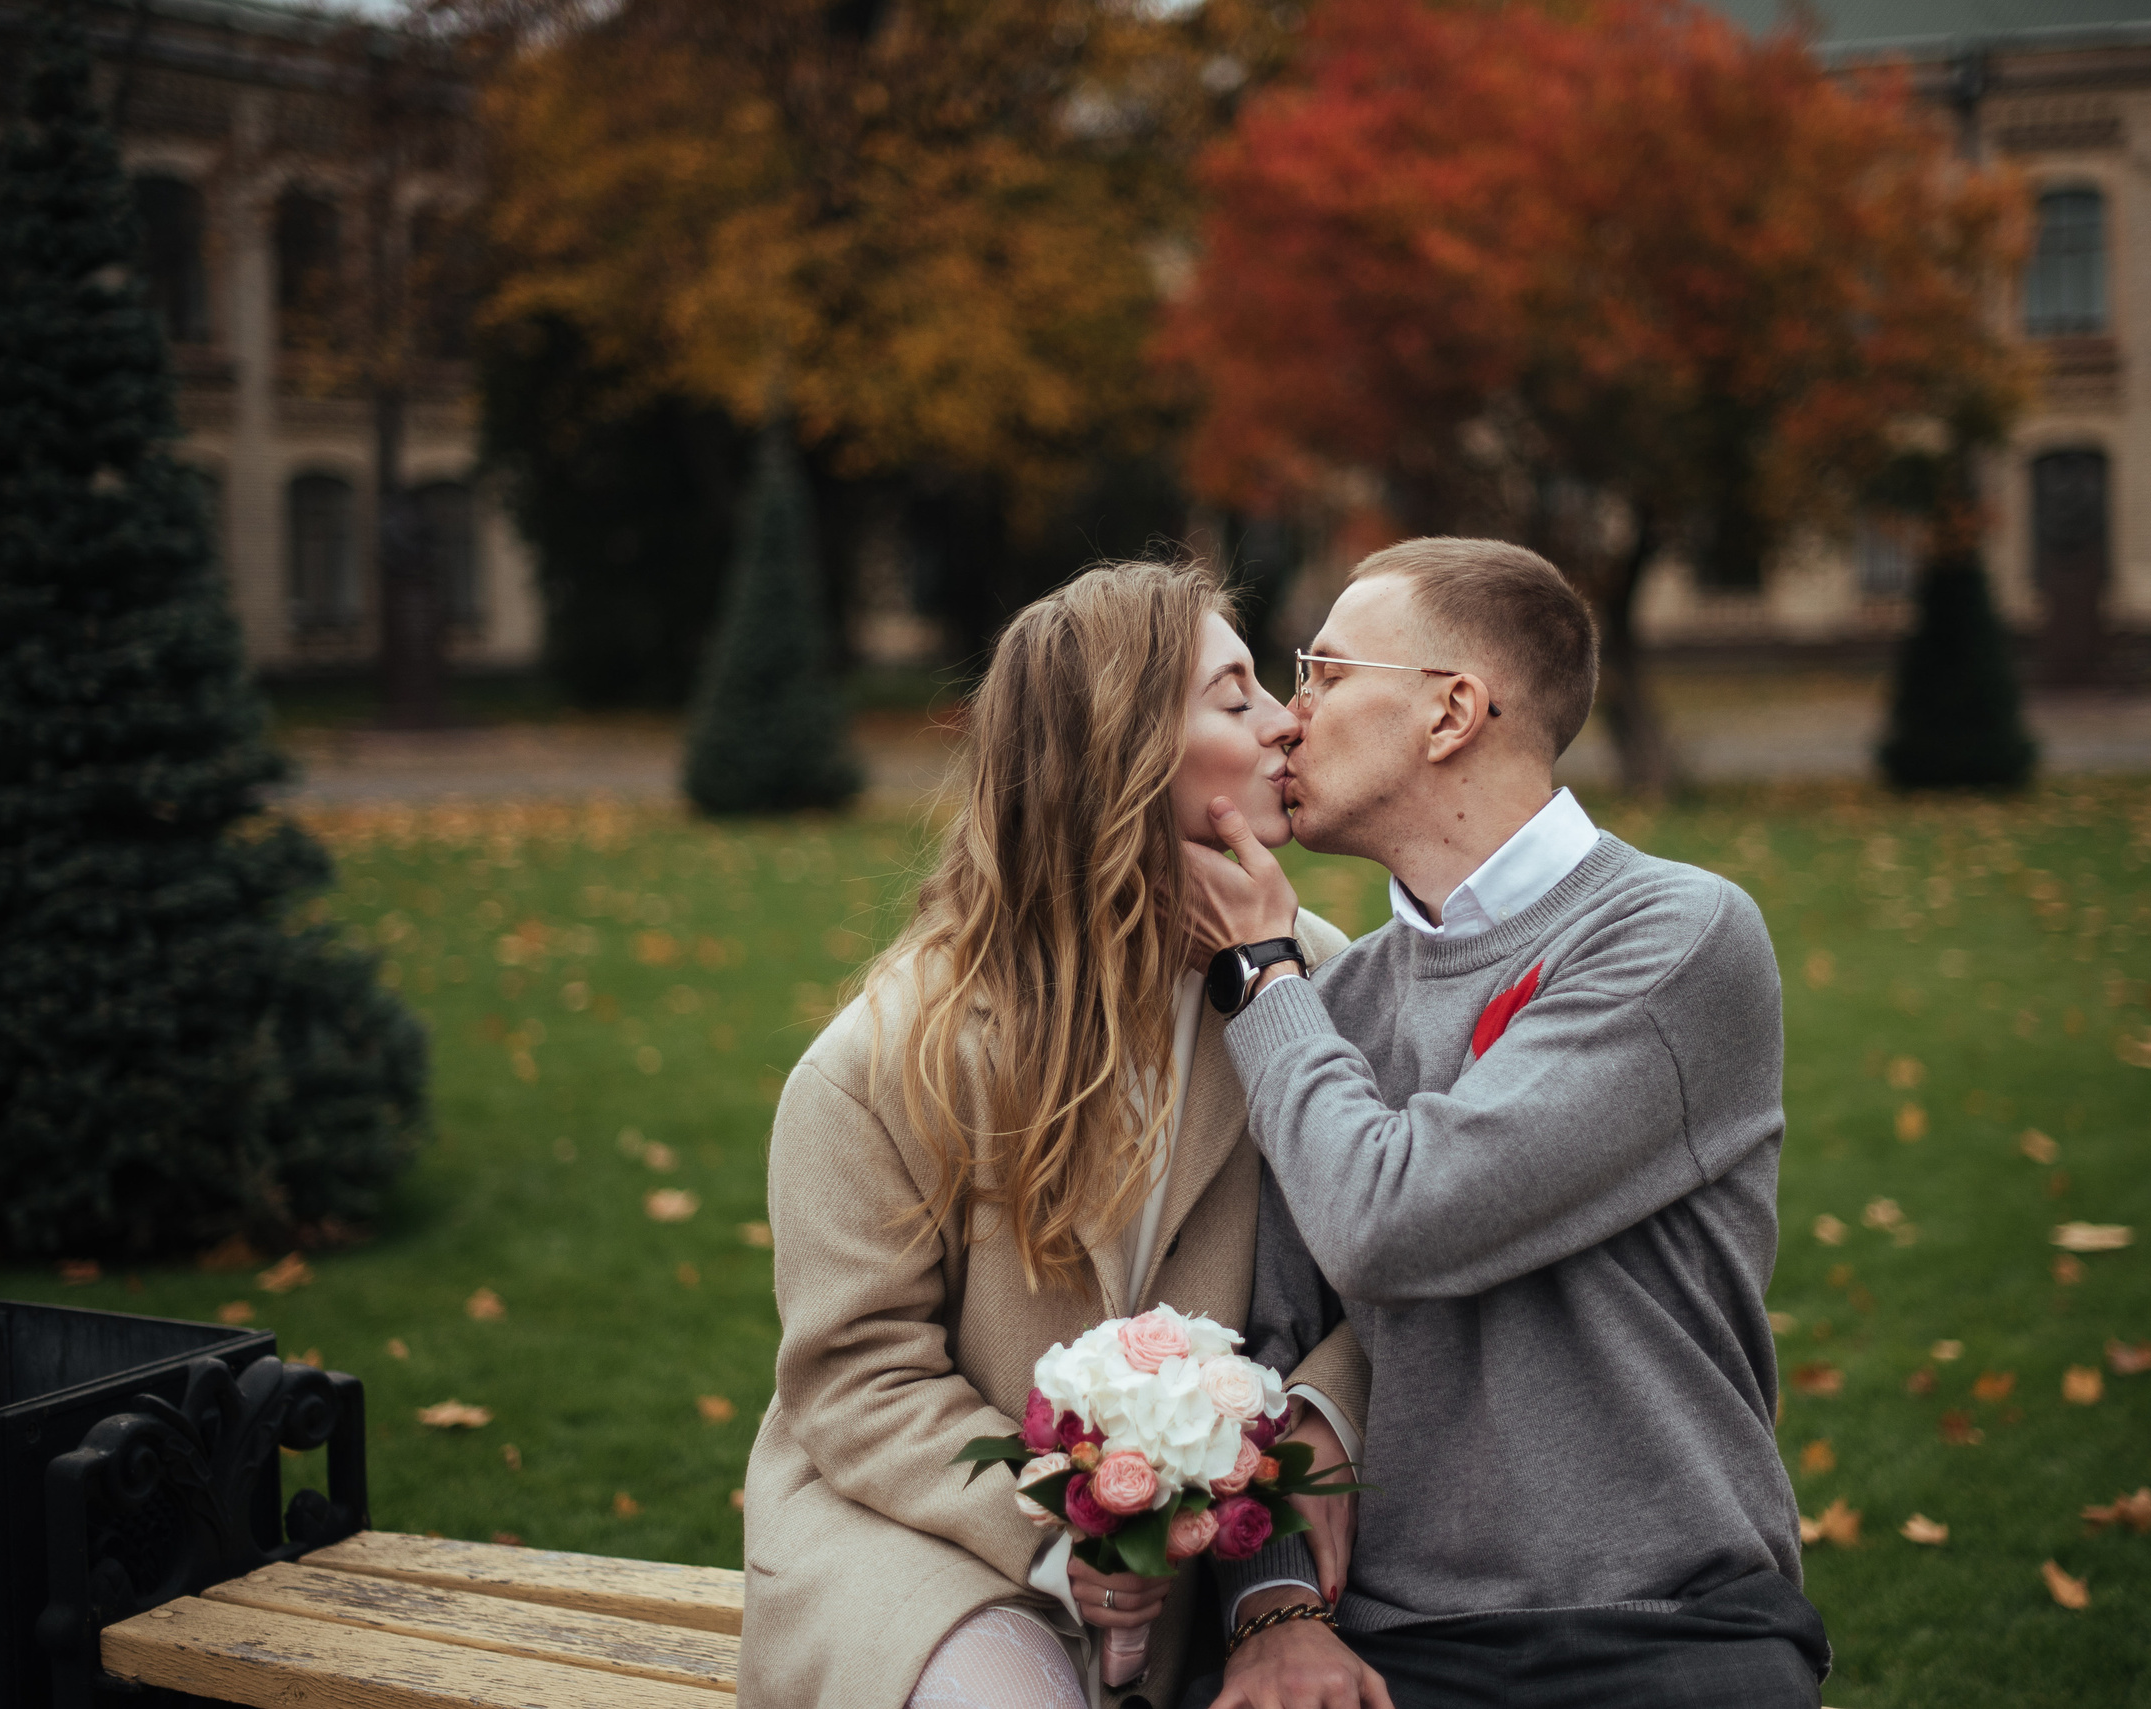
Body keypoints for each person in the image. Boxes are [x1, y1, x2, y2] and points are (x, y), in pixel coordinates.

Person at [1180, 538, 1828, 1709]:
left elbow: (1395, 1218)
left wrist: (1260, 974)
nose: (1288, 715)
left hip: (1660, 1622)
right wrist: (1272, 1608)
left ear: (1451, 712)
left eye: (1321, 673)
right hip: (1389, 1640)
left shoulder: (1673, 936)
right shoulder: (1332, 1007)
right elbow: (1259, 1354)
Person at [739, 562, 1368, 1709]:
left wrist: (1315, 1421)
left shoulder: (1306, 981)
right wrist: (1057, 1531)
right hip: (920, 1536)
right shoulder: (887, 1059)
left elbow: (1382, 1259)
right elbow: (855, 1373)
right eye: (1235, 700)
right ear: (1118, 754)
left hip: (1209, 1574)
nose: (1287, 722)